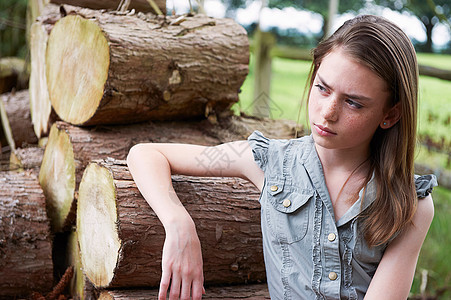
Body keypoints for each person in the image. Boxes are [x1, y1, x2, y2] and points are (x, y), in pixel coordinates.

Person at [127, 15, 437, 300]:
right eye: (323, 88)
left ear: (391, 114)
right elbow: (146, 154)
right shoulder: (266, 160)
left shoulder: (409, 203)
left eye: (354, 103)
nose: (328, 113)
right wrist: (179, 223)